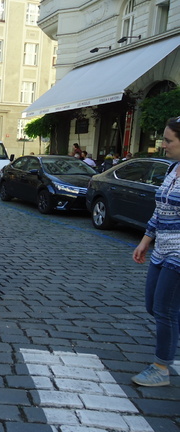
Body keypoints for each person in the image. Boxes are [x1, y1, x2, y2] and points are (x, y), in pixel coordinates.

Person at [131, 116, 180, 387]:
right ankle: (169, 344)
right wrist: (145, 240)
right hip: (162, 249)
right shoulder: (173, 169)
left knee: (165, 310)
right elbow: (160, 210)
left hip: (179, 254)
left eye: (168, 140)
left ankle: (162, 367)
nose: (162, 145)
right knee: (153, 305)